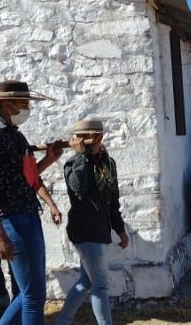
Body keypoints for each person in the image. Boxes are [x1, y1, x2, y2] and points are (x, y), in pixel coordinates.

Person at [0, 81, 64, 325]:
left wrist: (49, 159)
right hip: (12, 219)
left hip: (27, 215)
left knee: (31, 294)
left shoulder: (14, 135)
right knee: (33, 295)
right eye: (23, 104)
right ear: (7, 104)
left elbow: (26, 176)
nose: (27, 109)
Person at [0, 166, 62, 323]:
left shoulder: (16, 155)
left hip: (10, 226)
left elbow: (34, 179)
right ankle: (3, 306)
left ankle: (18, 308)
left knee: (22, 282)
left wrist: (51, 204)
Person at [56, 120, 128, 325]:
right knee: (101, 286)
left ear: (98, 137)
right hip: (85, 231)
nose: (81, 141)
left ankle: (63, 321)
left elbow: (112, 200)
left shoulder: (107, 163)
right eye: (78, 138)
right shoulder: (74, 163)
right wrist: (81, 157)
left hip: (100, 230)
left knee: (85, 282)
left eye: (85, 137)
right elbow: (78, 189)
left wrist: (120, 230)